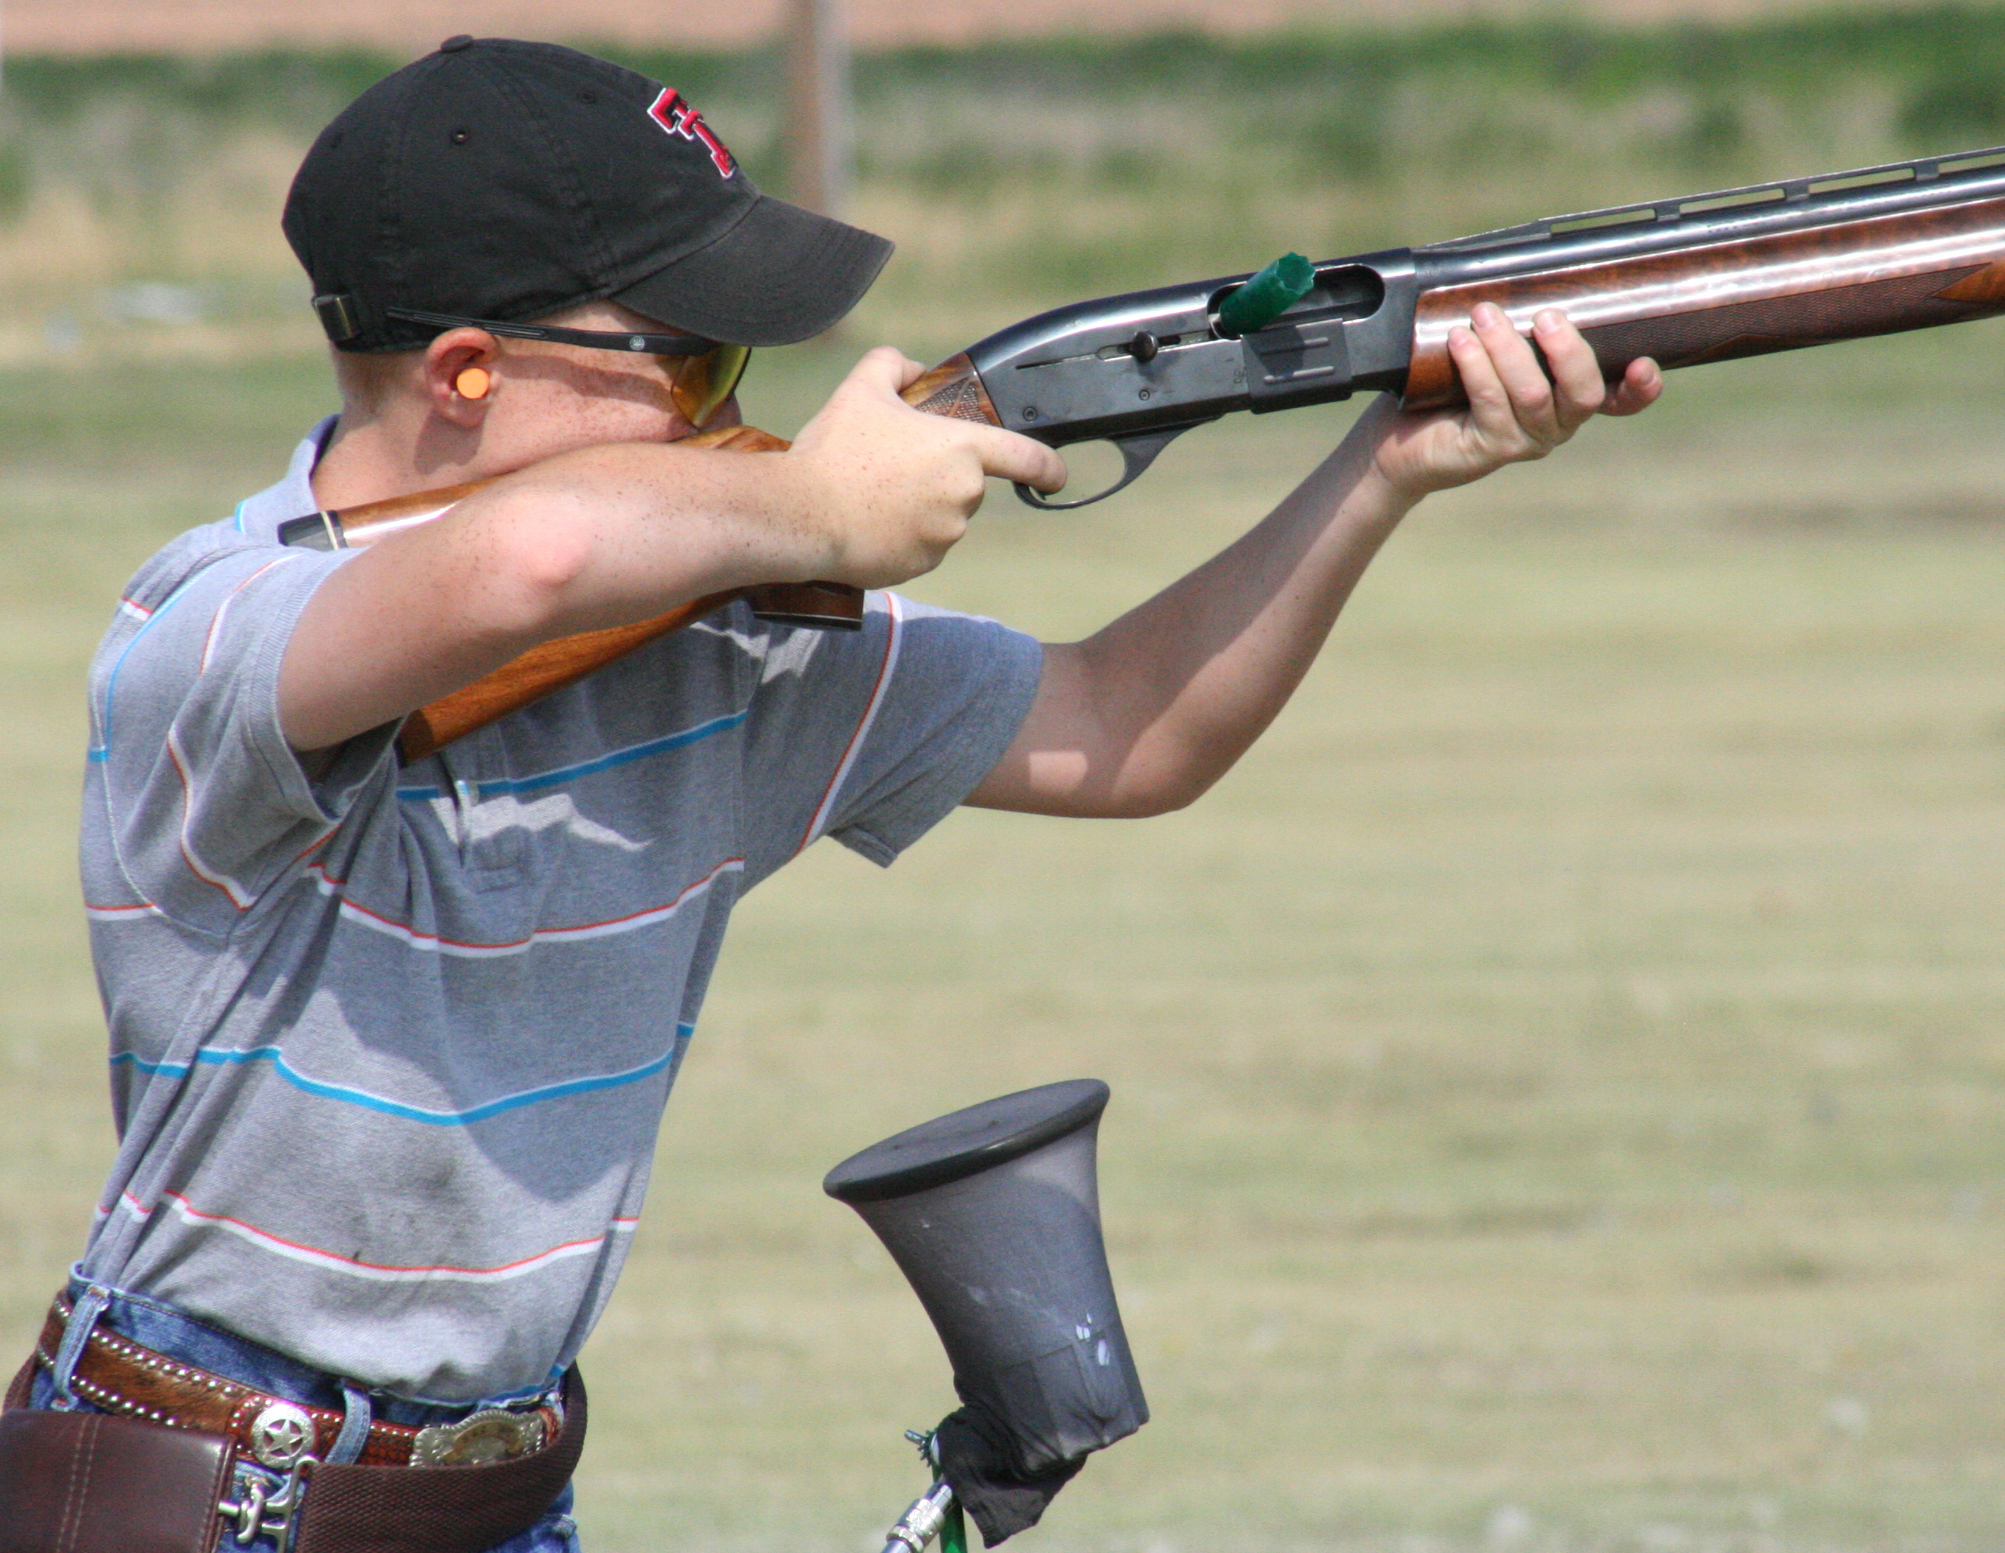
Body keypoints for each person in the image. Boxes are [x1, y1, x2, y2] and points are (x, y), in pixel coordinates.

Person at [2, 35, 1660, 1553]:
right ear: (463, 376)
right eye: (690, 356)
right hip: (195, 1479)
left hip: (502, 1487)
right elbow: (533, 554)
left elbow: (1129, 727)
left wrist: (1384, 469)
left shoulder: (719, 646)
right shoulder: (213, 624)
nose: (739, 398)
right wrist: (811, 513)